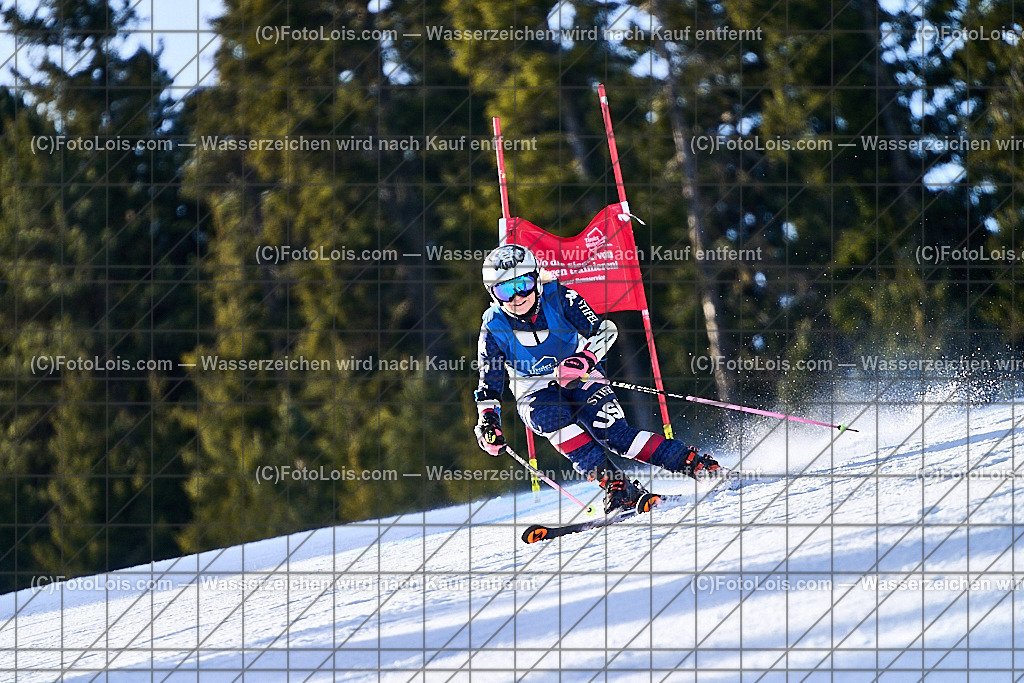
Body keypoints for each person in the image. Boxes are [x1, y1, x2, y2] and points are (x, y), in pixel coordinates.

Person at [473, 244, 720, 514]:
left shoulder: (560, 297)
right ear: (493, 295)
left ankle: (695, 464)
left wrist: (584, 359)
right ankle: (618, 487)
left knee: (615, 435)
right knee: (545, 416)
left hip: (580, 372)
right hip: (533, 389)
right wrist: (488, 422)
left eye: (523, 284)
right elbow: (490, 381)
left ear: (536, 279)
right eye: (505, 290)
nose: (517, 297)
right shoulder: (493, 325)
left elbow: (605, 329)